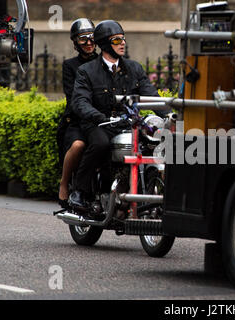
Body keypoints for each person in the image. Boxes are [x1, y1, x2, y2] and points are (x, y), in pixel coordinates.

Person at [68, 20, 168, 209]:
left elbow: (152, 97)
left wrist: (172, 116)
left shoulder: (134, 68)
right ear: (105, 44)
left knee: (152, 144)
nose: (122, 43)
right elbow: (79, 102)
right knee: (100, 144)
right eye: (116, 40)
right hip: (100, 124)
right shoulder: (87, 71)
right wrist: (99, 117)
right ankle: (79, 192)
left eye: (123, 39)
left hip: (128, 124)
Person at [56, 18, 98, 208]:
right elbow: (73, 97)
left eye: (91, 38)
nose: (89, 43)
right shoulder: (70, 66)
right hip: (78, 119)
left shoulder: (104, 62)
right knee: (79, 145)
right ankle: (64, 184)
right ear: (75, 42)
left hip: (101, 120)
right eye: (83, 39)